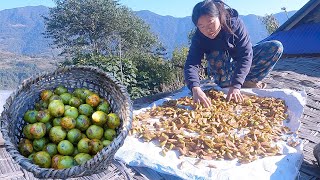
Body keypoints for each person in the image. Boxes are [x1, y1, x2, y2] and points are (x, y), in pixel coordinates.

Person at [184, 0, 283, 107]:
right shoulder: (199, 37)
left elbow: (246, 54)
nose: (208, 30)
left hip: (237, 63)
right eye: (201, 26)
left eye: (211, 23)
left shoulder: (235, 24)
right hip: (221, 70)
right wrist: (195, 88)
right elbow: (191, 63)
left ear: (219, 16)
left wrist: (236, 85)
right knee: (217, 53)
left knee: (275, 47)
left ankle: (246, 80)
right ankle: (231, 82)